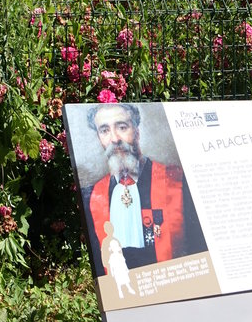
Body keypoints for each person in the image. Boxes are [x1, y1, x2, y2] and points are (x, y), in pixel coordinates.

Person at [83, 102, 205, 278]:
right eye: (104, 131)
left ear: (137, 132)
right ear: (99, 138)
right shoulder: (93, 196)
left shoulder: (177, 182)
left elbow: (198, 249)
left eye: (122, 127)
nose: (114, 139)